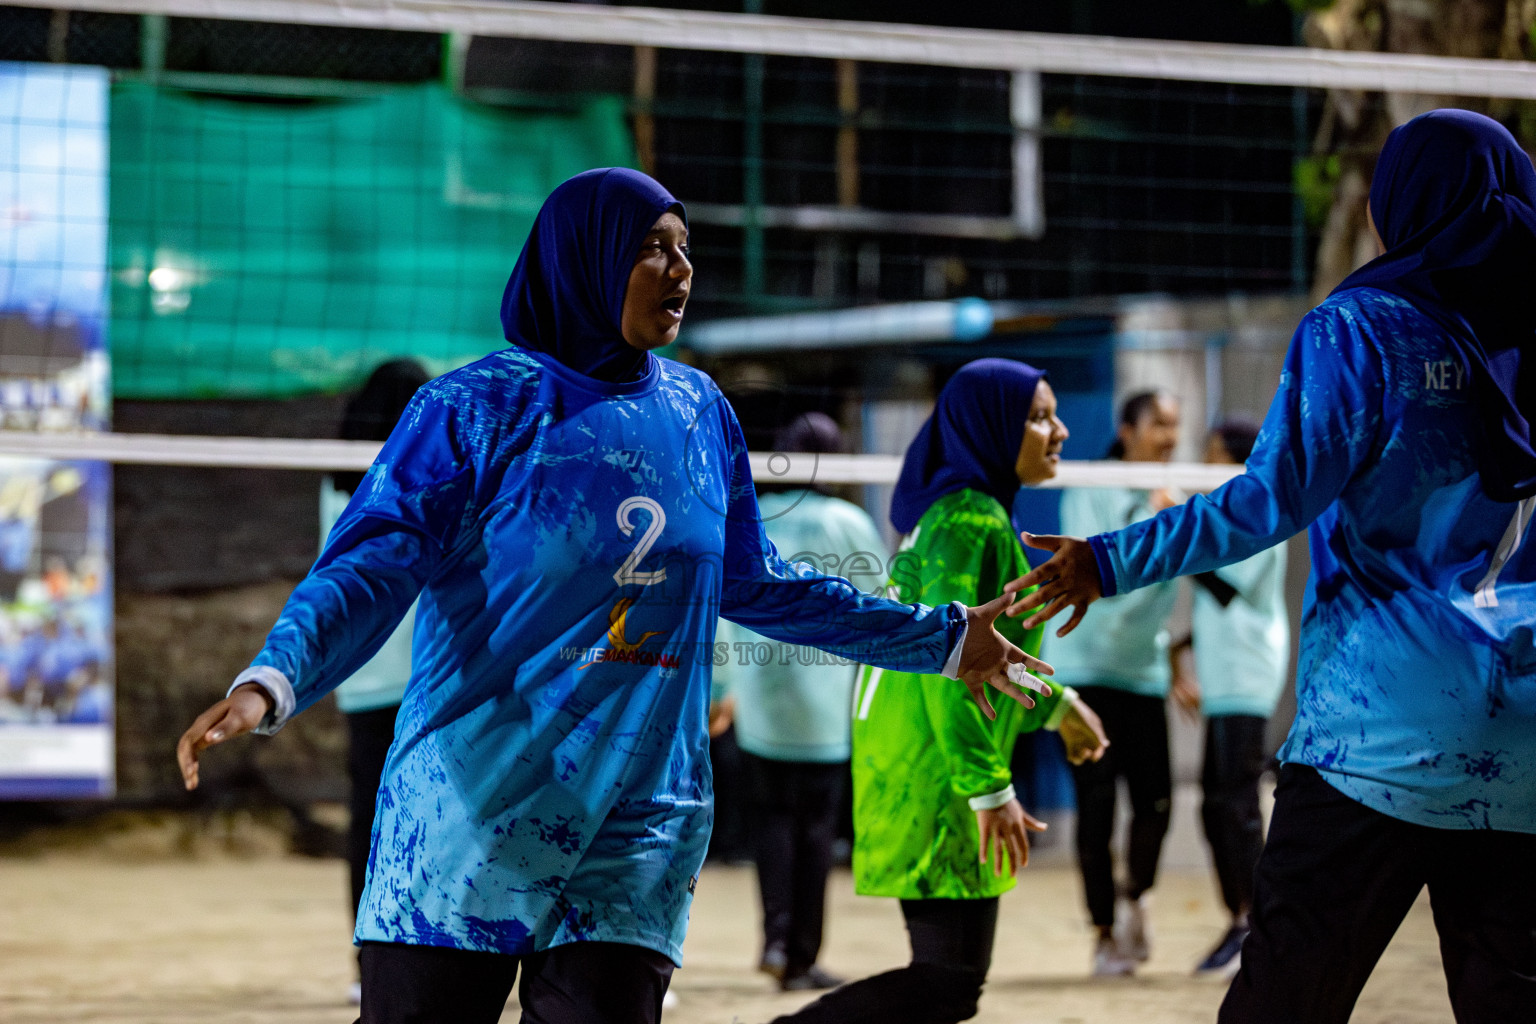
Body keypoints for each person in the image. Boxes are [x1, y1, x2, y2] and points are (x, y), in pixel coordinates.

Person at [175, 167, 1048, 1024]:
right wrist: (274, 678)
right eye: (651, 249)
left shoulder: (702, 411)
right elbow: (369, 566)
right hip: (474, 808)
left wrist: (938, 639)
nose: (680, 269)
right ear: (584, 261)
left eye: (685, 249)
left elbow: (757, 582)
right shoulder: (475, 410)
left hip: (639, 823)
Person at [1006, 110, 1536, 1023]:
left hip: (1381, 732)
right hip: (1521, 739)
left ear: (1398, 205)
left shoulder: (1365, 327)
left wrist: (1105, 561)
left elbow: (1265, 503)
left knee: (1281, 1004)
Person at [770, 359, 1108, 1024]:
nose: (1059, 430)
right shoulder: (970, 521)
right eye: (1038, 416)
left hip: (920, 761)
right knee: (947, 983)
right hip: (939, 772)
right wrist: (989, 787)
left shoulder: (957, 514)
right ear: (991, 426)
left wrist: (1059, 707)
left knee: (946, 983)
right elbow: (954, 663)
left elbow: (981, 655)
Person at [713, 412, 885, 992]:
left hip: (761, 702)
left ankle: (777, 939)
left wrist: (723, 688)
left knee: (772, 828)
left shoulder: (757, 517)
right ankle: (803, 959)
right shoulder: (851, 521)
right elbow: (883, 607)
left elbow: (725, 603)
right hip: (827, 708)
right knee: (816, 832)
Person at [1045, 389, 1181, 976]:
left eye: (1176, 425)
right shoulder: (1091, 487)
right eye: (1159, 425)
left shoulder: (1176, 498)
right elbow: (1101, 569)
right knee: (1095, 806)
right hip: (1086, 668)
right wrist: (1153, 516)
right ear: (1128, 430)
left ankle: (1136, 898)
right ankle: (1102, 934)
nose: (1170, 437)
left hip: (1142, 672)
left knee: (1156, 801)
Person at [324, 358, 432, 1004]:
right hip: (423, 681)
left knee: (369, 820)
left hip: (360, 676)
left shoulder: (336, 481)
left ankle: (368, 959)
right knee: (435, 823)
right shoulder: (419, 479)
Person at [1165, 418, 1288, 978]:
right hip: (1222, 677)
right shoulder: (1230, 511)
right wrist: (1179, 652)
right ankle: (1242, 920)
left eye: (1210, 452)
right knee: (1218, 803)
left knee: (1235, 803)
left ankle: (1257, 927)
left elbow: (1226, 586)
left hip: (1247, 674)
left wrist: (1172, 528)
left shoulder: (1260, 506)